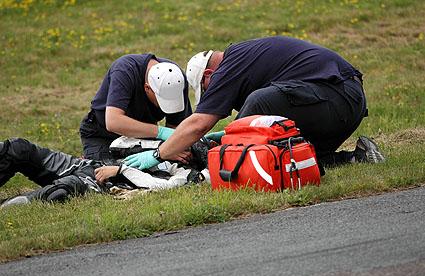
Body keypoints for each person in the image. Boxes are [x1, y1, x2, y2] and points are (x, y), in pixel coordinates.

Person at [123, 36, 384, 172]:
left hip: (336, 98)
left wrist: (158, 154)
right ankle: (357, 158)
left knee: (258, 102)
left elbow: (199, 123)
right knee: (286, 156)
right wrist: (229, 134)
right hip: (344, 104)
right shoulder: (245, 58)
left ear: (208, 76)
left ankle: (228, 155)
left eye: (206, 90)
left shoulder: (229, 65)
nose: (211, 94)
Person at [0, 137, 211, 208]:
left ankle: (7, 207)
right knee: (19, 149)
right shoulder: (163, 147)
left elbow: (162, 186)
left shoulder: (188, 176)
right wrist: (160, 150)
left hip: (102, 182)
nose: (184, 152)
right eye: (184, 144)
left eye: (188, 151)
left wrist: (121, 169)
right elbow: (117, 144)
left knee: (61, 192)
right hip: (87, 164)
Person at [79, 54, 192, 162]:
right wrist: (161, 132)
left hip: (143, 136)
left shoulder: (176, 79)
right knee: (109, 174)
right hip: (103, 134)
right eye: (162, 101)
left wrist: (170, 149)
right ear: (147, 88)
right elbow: (113, 122)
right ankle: (88, 158)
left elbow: (175, 126)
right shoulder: (124, 70)